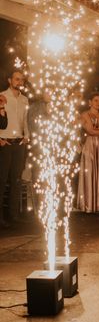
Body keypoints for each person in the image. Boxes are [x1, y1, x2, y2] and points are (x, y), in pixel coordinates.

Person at [0, 70, 29, 226]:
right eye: (17, 79)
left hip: (19, 142)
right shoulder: (2, 96)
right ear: (9, 80)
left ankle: (14, 215)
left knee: (16, 180)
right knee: (2, 180)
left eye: (21, 80)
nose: (19, 82)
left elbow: (25, 120)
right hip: (5, 142)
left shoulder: (24, 99)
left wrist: (27, 136)